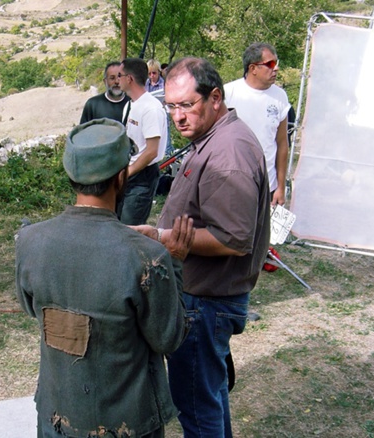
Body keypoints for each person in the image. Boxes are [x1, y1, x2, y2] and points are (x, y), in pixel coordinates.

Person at [15, 118, 194, 438]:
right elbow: (169, 338)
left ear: (71, 175)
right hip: (127, 424)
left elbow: (33, 310)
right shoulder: (146, 257)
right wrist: (176, 262)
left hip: (56, 416)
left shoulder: (29, 242)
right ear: (123, 177)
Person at [133, 57, 271, 437]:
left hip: (205, 303)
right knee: (207, 398)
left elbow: (234, 239)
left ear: (214, 98)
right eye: (170, 107)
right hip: (201, 299)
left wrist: (161, 238)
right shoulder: (211, 138)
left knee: (196, 407)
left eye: (186, 105)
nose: (177, 117)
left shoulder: (228, 152)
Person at [224, 42, 291, 205]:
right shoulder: (228, 93)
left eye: (277, 63)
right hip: (231, 183)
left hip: (267, 185)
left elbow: (282, 143)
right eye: (270, 64)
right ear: (252, 68)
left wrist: (280, 187)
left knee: (260, 231)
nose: (276, 69)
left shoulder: (280, 97)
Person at [117, 57, 167, 225]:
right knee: (117, 223)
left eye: (120, 75)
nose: (117, 80)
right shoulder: (130, 105)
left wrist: (128, 173)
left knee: (131, 228)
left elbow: (152, 150)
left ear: (129, 78)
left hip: (142, 176)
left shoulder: (151, 108)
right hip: (127, 171)